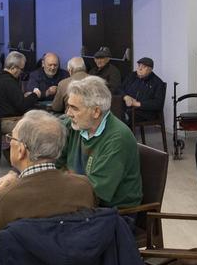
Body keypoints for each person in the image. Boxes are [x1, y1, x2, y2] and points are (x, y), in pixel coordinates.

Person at [0, 111, 97, 265]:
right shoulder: (83, 187)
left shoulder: (2, 201)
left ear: (21, 150)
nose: (10, 143)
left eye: (11, 139)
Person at [60, 75, 141, 209]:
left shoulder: (117, 138)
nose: (68, 113)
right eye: (69, 107)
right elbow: (52, 159)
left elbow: (95, 192)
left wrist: (59, 185)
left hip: (114, 214)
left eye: (74, 108)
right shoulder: (75, 125)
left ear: (96, 112)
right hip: (81, 200)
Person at [0, 51, 41, 156]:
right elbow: (22, 106)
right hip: (7, 121)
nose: (21, 73)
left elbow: (10, 99)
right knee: (36, 126)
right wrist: (35, 95)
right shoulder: (9, 82)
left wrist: (24, 96)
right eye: (21, 69)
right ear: (14, 68)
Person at [123, 56, 166, 124]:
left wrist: (137, 104)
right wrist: (125, 97)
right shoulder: (132, 76)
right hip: (129, 106)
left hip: (145, 112)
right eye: (139, 65)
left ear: (150, 69)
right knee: (115, 109)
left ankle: (126, 134)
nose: (140, 68)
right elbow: (119, 88)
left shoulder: (157, 82)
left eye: (144, 67)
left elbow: (158, 103)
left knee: (125, 115)